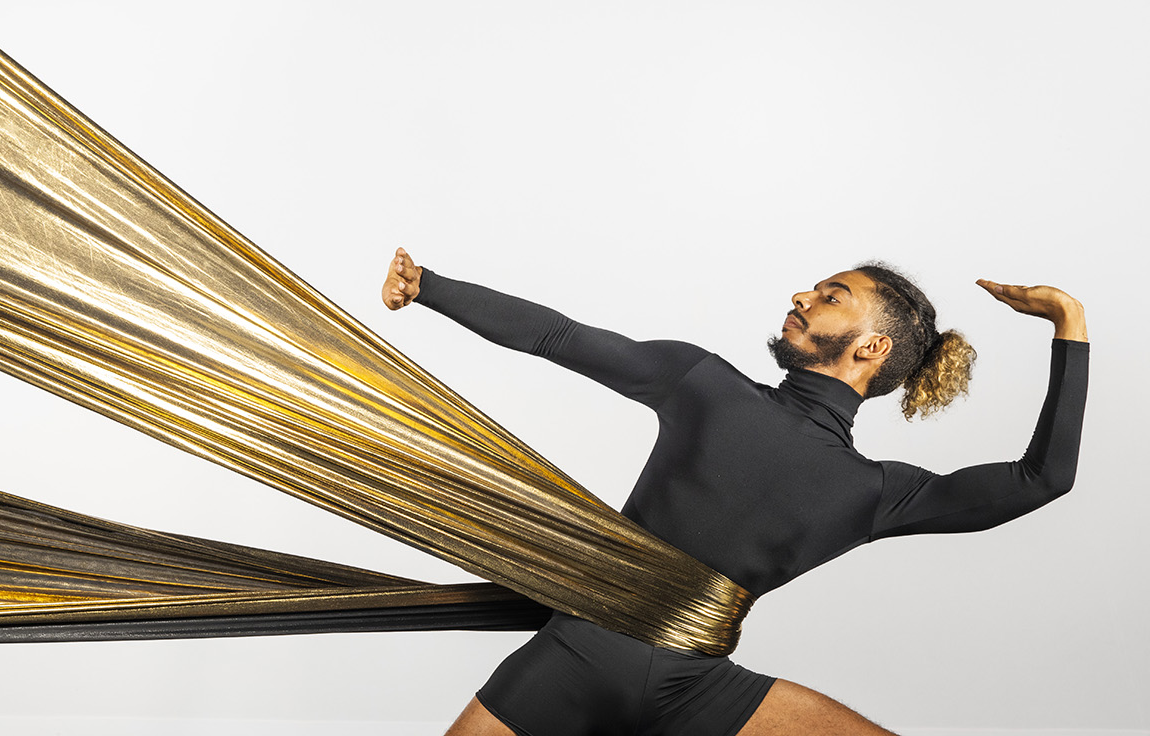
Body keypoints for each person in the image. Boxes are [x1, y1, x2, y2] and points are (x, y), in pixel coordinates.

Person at [380, 248, 1088, 736]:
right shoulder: (706, 388)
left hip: (698, 693)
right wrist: (429, 286)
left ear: (871, 347)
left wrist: (1069, 322)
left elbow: (1039, 481)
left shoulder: (869, 487)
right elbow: (559, 335)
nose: (801, 298)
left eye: (830, 296)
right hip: (573, 662)